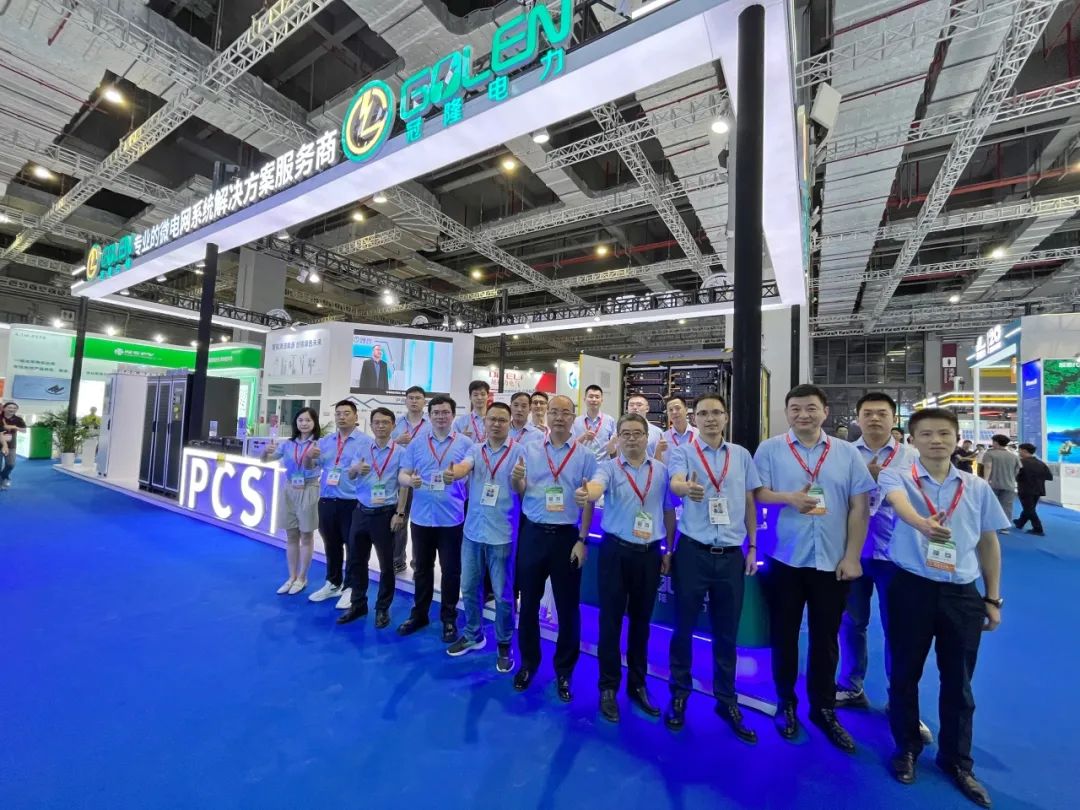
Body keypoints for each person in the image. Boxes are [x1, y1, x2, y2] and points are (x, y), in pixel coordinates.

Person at [878, 407, 1006, 807]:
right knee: (904, 674)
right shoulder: (897, 476)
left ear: (955, 438)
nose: (936, 440)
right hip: (910, 588)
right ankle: (906, 748)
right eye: (927, 434)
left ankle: (957, 761)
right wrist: (921, 523)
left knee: (959, 682)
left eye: (944, 434)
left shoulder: (976, 486)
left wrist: (992, 598)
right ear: (912, 440)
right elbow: (898, 504)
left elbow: (988, 543)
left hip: (961, 593)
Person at [753, 384, 875, 752]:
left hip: (832, 562)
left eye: (810, 408)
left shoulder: (846, 453)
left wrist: (852, 556)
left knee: (826, 638)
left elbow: (859, 507)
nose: (803, 415)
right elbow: (757, 493)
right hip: (785, 558)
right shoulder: (771, 449)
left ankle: (823, 708)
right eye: (795, 409)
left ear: (825, 412)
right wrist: (787, 498)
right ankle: (786, 703)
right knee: (784, 635)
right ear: (786, 413)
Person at [835, 393, 933, 743]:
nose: (874, 419)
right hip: (854, 553)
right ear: (857, 418)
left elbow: (928, 502)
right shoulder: (844, 454)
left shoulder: (912, 457)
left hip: (899, 557)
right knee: (852, 623)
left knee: (901, 631)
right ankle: (851, 686)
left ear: (894, 418)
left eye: (881, 413)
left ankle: (901, 701)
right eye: (867, 413)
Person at [663, 394, 759, 741]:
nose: (710, 418)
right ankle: (679, 693)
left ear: (726, 417)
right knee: (683, 627)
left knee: (726, 632)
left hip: (731, 555)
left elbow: (749, 501)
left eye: (716, 412)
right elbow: (675, 482)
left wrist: (752, 546)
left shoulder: (742, 455)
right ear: (695, 419)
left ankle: (726, 698)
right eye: (703, 413)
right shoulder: (683, 452)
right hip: (693, 552)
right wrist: (684, 488)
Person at [580, 413, 675, 723]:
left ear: (647, 437)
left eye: (637, 433)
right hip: (615, 553)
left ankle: (638, 684)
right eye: (626, 433)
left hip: (649, 555)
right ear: (617, 438)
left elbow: (668, 512)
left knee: (641, 623)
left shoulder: (661, 471)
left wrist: (668, 549)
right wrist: (588, 492)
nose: (632, 438)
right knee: (610, 622)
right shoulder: (608, 468)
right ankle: (608, 687)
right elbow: (596, 488)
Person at [511, 394, 597, 702]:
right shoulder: (529, 449)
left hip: (566, 538)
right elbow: (521, 491)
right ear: (546, 415)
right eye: (554, 412)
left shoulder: (585, 456)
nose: (559, 417)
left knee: (567, 608)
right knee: (528, 604)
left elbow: (589, 501)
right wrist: (517, 480)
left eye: (565, 413)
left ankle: (564, 671)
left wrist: (582, 539)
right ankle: (528, 663)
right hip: (533, 534)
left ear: (574, 417)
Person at [445, 402, 521, 672]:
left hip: (502, 533)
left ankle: (504, 643)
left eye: (502, 419)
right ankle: (473, 633)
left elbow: (521, 487)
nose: (496, 424)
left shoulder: (519, 451)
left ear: (509, 423)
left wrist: (519, 479)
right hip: (473, 532)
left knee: (502, 595)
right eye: (492, 419)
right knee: (468, 587)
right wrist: (454, 473)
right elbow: (464, 466)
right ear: (485, 422)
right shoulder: (475, 450)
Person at [397, 395, 474, 641]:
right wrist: (410, 480)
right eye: (436, 412)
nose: (441, 416)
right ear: (429, 416)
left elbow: (470, 474)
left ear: (453, 415)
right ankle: (419, 614)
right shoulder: (417, 444)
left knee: (451, 570)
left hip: (452, 518)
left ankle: (448, 618)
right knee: (422, 569)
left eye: (445, 412)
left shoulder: (466, 444)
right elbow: (402, 474)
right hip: (422, 518)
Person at [338, 407, 406, 629]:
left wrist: (400, 513)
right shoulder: (362, 448)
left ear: (393, 425)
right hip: (361, 511)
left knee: (387, 565)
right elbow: (349, 475)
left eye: (385, 422)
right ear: (371, 424)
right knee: (357, 561)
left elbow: (404, 486)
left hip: (385, 514)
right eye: (376, 422)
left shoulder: (400, 453)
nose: (380, 426)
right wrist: (356, 468)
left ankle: (382, 608)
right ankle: (358, 604)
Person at [308, 400, 367, 606]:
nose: (342, 417)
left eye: (346, 413)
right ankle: (333, 582)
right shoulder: (325, 442)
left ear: (356, 417)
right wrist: (310, 457)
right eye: (338, 413)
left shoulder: (365, 442)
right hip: (327, 500)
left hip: (352, 502)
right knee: (331, 544)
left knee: (353, 546)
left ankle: (350, 587)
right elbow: (312, 466)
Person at [262, 408, 322, 594]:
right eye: (300, 420)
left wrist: (309, 457)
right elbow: (266, 460)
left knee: (306, 535)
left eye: (308, 420)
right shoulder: (288, 444)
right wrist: (264, 452)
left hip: (309, 488)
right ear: (296, 422)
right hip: (289, 489)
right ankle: (291, 576)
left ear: (314, 423)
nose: (304, 423)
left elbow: (311, 466)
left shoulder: (319, 444)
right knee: (291, 536)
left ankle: (302, 577)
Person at [391, 386, 428, 573]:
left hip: (423, 479)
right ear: (405, 400)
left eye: (418, 398)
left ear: (424, 402)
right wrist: (397, 441)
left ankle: (418, 563)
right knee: (400, 518)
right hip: (401, 477)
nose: (414, 401)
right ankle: (398, 561)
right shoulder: (396, 423)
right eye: (411, 397)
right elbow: (385, 445)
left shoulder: (431, 424)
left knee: (420, 523)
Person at [982, 435, 1019, 529]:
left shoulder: (989, 454)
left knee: (990, 505)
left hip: (993, 483)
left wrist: (985, 481)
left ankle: (989, 525)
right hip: (1009, 484)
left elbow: (988, 467)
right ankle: (1005, 527)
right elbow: (1017, 471)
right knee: (1007, 506)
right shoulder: (1013, 456)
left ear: (996, 442)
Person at [1015, 443, 1052, 536]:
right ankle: (1020, 523)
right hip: (1038, 489)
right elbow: (1049, 476)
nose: (1019, 452)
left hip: (1025, 489)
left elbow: (1016, 476)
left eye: (1019, 450)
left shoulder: (1021, 462)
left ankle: (1038, 528)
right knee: (1029, 508)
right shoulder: (1041, 463)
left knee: (1029, 509)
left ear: (1024, 451)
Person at [572, 385, 616, 457]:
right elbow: (571, 446)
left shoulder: (610, 420)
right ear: (584, 399)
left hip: (603, 463)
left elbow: (614, 445)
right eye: (591, 396)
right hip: (582, 462)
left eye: (597, 397)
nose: (594, 399)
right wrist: (584, 437)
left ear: (601, 400)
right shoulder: (576, 421)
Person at [654, 395, 697, 464]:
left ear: (686, 410)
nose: (674, 412)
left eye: (677, 408)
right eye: (670, 410)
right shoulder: (662, 438)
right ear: (667, 414)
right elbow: (657, 465)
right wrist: (658, 451)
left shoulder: (699, 435)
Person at [1, 401, 27, 489]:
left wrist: (15, 427)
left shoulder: (18, 419)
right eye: (10, 407)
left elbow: (24, 430)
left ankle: (4, 476)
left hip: (11, 445)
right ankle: (3, 481)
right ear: (4, 408)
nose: (12, 409)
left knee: (10, 464)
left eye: (14, 408)